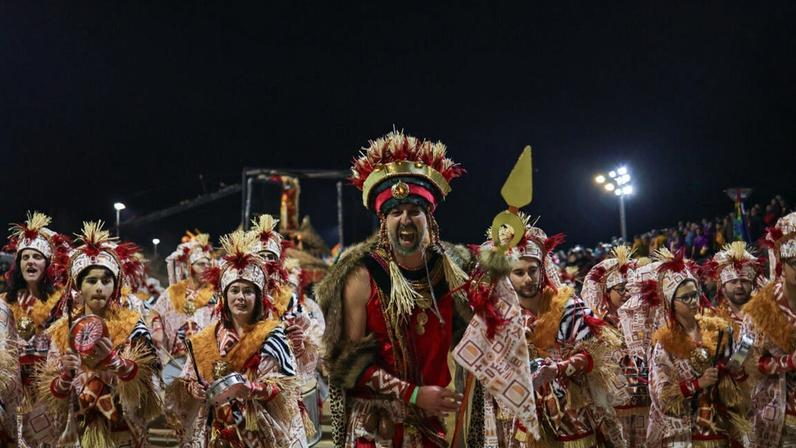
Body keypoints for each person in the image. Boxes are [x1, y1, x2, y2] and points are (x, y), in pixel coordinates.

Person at [316, 130, 472, 447]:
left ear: (429, 218)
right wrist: (412, 394)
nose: (405, 220)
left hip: (444, 420)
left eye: (414, 211)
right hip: (382, 425)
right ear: (383, 221)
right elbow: (346, 359)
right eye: (395, 212)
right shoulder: (362, 275)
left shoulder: (456, 271)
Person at [168, 230, 306, 447]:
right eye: (235, 291)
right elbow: (188, 378)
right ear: (224, 297)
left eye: (248, 291)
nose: (240, 297)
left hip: (259, 431)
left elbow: (284, 388)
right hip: (217, 430)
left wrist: (251, 389)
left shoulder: (273, 336)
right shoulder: (205, 338)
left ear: (259, 298)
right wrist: (194, 388)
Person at [38, 221, 162, 447]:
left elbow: (149, 390)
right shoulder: (62, 330)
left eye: (106, 281)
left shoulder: (133, 325)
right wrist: (66, 375)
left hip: (124, 427)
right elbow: (51, 394)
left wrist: (118, 364)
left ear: (114, 286)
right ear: (79, 286)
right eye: (91, 280)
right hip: (79, 427)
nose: (98, 287)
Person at [641, 249, 749, 447]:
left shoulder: (719, 329)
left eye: (695, 294)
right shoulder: (664, 344)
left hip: (721, 425)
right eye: (686, 298)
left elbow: (737, 366)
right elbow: (661, 396)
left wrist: (737, 368)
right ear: (671, 302)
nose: (693, 301)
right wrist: (698, 383)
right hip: (685, 433)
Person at [0, 211, 71, 444]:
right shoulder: (4, 303)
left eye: (37, 257)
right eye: (25, 257)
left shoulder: (62, 302)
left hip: (51, 391)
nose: (30, 261)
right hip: (14, 393)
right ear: (18, 264)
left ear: (48, 265)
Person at [582, 245, 650, 446]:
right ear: (606, 292)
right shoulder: (597, 326)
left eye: (631, 288)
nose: (627, 294)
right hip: (614, 410)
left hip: (645, 405)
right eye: (621, 289)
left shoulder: (644, 319)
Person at [742, 211, 796, 447]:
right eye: (795, 262)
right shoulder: (758, 309)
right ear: (781, 263)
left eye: (743, 281)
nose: (739, 286)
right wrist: (788, 362)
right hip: (776, 415)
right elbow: (744, 359)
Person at [151, 232, 216, 383]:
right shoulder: (173, 291)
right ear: (189, 266)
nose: (206, 268)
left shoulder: (216, 293)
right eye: (201, 264)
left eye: (208, 264)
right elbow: (155, 313)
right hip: (177, 359)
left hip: (205, 361)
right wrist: (157, 329)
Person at [704, 241, 763, 334]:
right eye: (733, 282)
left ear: (752, 284)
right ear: (723, 286)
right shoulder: (714, 320)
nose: (739, 286)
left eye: (744, 281)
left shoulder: (766, 313)